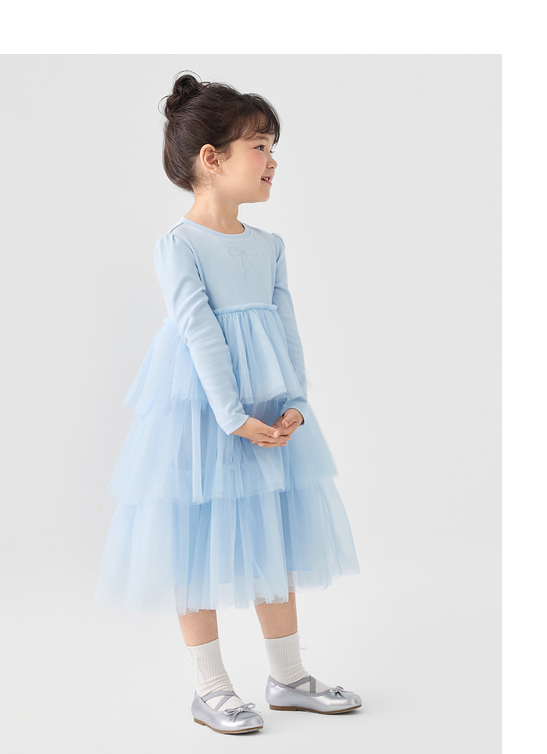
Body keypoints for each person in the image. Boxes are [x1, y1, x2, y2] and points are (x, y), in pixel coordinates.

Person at [95, 71, 362, 734]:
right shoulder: (179, 245)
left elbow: (286, 330)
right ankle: (211, 687)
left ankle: (288, 676)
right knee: (194, 540)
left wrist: (295, 402)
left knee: (275, 529)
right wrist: (232, 416)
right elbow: (198, 331)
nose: (272, 161)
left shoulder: (269, 246)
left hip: (268, 410)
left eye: (273, 148)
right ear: (211, 158)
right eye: (260, 147)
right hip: (201, 412)